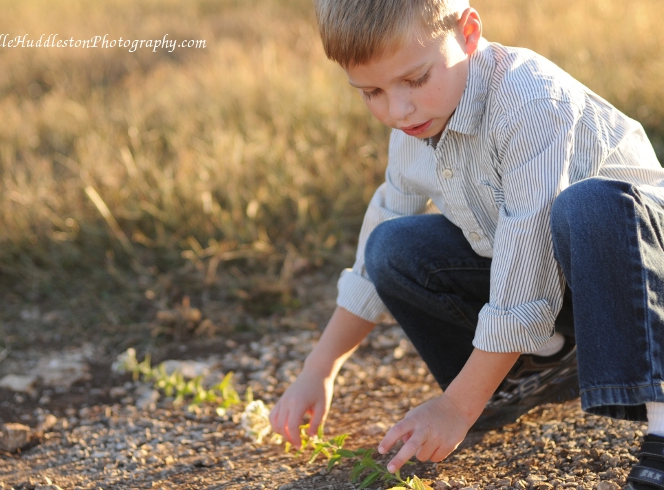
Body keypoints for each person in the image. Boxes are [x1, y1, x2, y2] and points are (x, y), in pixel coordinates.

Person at [268, 0, 664, 488]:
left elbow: (530, 260)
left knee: (589, 206)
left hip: (642, 279)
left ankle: (662, 431)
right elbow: (382, 233)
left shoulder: (532, 101)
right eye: (371, 91)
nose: (397, 109)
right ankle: (527, 373)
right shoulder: (415, 125)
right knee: (391, 246)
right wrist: (319, 367)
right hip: (561, 287)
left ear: (469, 33)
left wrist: (455, 406)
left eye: (415, 79)